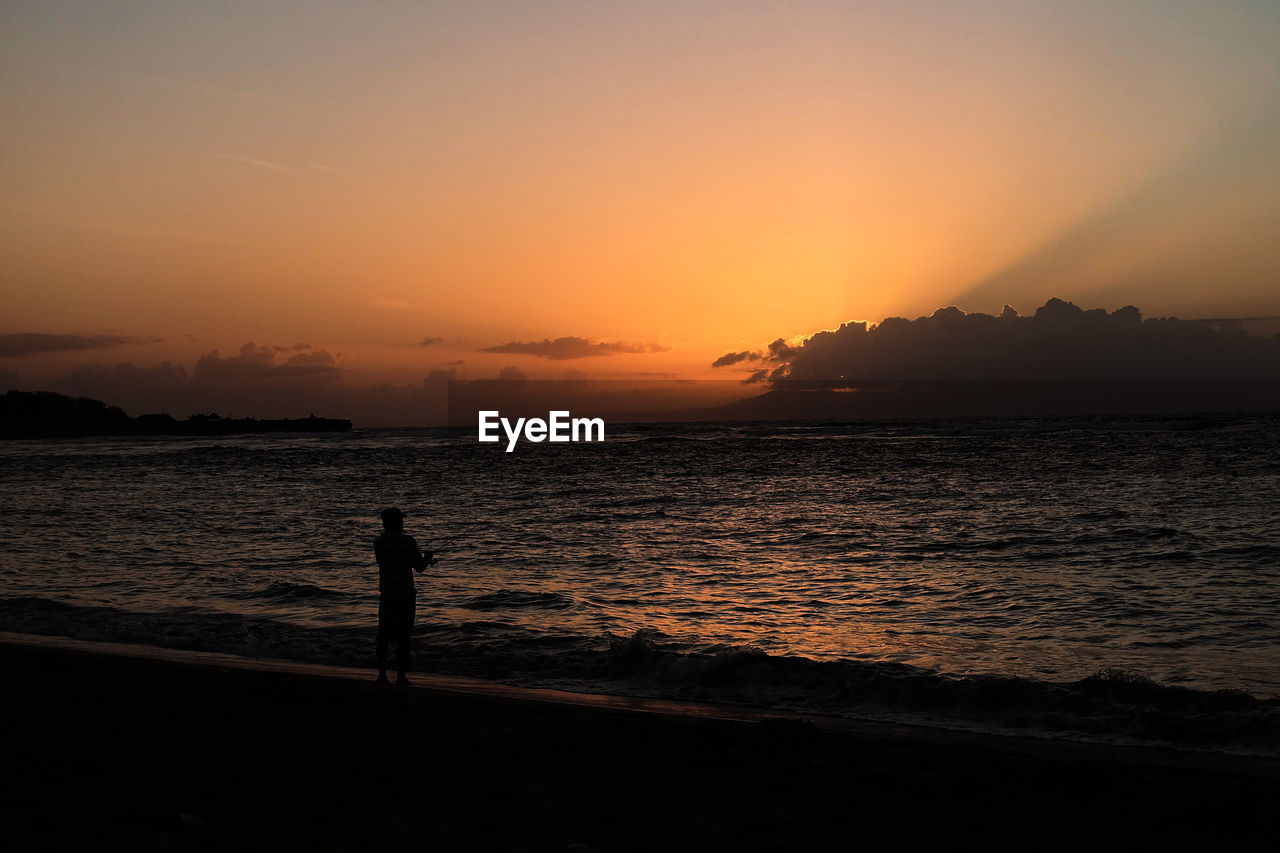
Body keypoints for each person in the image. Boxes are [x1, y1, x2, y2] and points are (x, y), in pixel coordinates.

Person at [374, 507, 433, 685]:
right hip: (405, 594)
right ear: (398, 522)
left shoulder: (379, 542)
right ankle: (401, 676)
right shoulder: (408, 541)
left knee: (383, 635)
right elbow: (419, 567)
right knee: (404, 636)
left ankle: (382, 675)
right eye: (401, 519)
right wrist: (428, 558)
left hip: (386, 592)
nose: (403, 522)